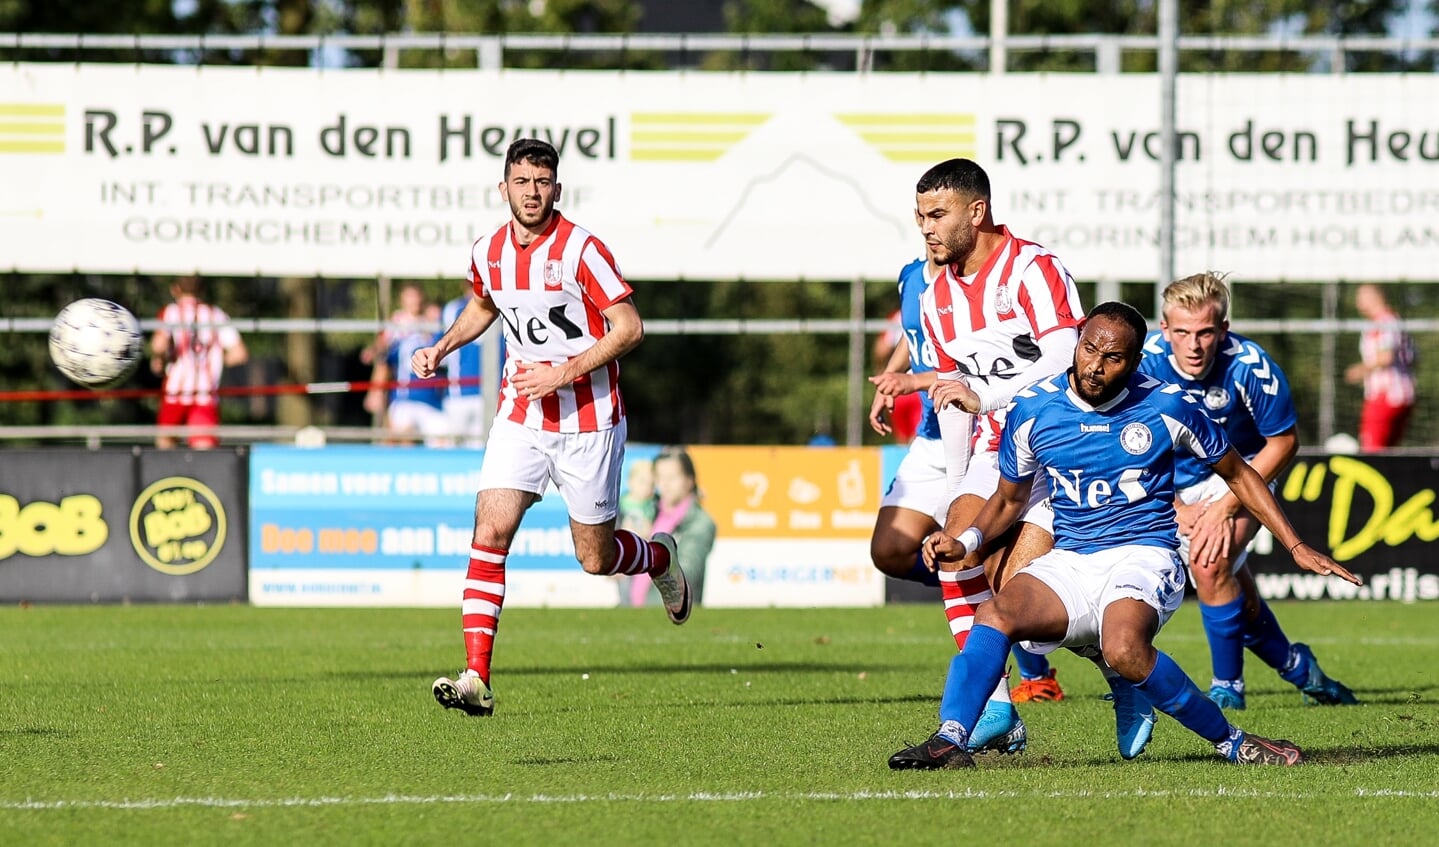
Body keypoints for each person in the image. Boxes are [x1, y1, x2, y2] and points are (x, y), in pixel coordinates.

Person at [888, 302, 1362, 770]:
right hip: (1072, 557)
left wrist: (1295, 545)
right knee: (994, 615)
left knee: (1124, 649)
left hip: (1145, 555)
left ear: (1135, 362)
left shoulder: (1168, 404)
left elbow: (1239, 473)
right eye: (1089, 349)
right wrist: (966, 541)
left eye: (1113, 357)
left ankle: (1233, 741)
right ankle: (950, 738)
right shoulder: (1034, 408)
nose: (1095, 365)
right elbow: (1008, 501)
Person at [414, 138, 692, 718]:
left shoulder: (582, 251)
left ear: (557, 189)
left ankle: (659, 560)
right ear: (504, 188)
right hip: (521, 416)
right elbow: (486, 306)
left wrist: (561, 373)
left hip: (589, 422)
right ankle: (476, 676)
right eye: (522, 182)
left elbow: (629, 327)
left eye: (542, 183)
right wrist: (441, 346)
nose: (532, 192)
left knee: (593, 558)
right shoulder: (488, 251)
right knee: (490, 531)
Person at [912, 157, 1085, 751]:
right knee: (956, 553)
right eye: (920, 217)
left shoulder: (1035, 268)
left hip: (1060, 449)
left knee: (1025, 604)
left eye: (938, 214)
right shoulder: (936, 297)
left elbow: (1066, 357)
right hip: (993, 451)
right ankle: (993, 708)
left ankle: (1124, 669)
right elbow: (956, 392)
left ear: (977, 211)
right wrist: (956, 483)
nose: (926, 228)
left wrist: (983, 393)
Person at [1139, 273, 1358, 710]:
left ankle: (1227, 688)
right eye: (1182, 332)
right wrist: (1174, 504)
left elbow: (1284, 442)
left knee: (1209, 562)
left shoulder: (1251, 365)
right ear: (1164, 329)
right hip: (1171, 483)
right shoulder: (1142, 364)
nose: (1194, 345)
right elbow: (1129, 438)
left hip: (1243, 474)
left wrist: (1224, 505)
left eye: (1205, 332)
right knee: (1231, 586)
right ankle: (1298, 666)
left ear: (1223, 329)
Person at [150, 276, 248, 450]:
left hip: (175, 392)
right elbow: (239, 353)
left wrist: (159, 360)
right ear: (202, 291)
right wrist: (215, 363)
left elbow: (159, 345)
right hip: (206, 393)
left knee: (165, 448)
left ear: (175, 290)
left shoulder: (171, 312)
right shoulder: (216, 314)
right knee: (204, 452)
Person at [625, 447, 716, 608]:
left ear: (690, 480)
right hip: (632, 612)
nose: (664, 484)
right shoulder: (648, 511)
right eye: (659, 478)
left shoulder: (700, 522)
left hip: (669, 616)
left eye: (672, 477)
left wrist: (648, 549)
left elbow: (687, 574)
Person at [367, 286, 447, 445]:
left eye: (416, 297)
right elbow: (382, 359)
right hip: (405, 398)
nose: (414, 301)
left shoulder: (432, 323)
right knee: (402, 436)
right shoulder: (396, 325)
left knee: (444, 440)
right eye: (410, 297)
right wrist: (375, 390)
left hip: (431, 400)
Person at [1345, 283, 1417, 451]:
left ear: (1373, 297)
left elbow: (1385, 357)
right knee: (1389, 452)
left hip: (1386, 396)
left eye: (1360, 298)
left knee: (1372, 451)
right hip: (1404, 394)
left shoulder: (1384, 323)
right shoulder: (1397, 321)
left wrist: (1359, 371)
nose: (1358, 303)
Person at [436, 289, 501, 447]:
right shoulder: (453, 308)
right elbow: (439, 344)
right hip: (458, 393)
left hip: (490, 393)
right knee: (452, 447)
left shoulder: (501, 304)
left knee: (482, 448)